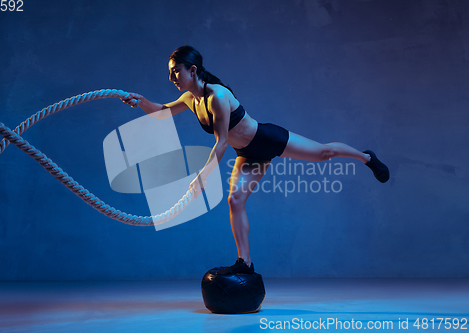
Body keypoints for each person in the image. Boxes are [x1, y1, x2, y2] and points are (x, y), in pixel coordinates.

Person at [121, 46, 389, 275]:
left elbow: (222, 141)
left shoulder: (217, 96)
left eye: (175, 70)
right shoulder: (190, 99)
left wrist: (203, 176)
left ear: (192, 70)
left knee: (323, 154)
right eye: (170, 72)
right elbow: (161, 112)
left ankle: (366, 157)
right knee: (235, 200)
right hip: (248, 155)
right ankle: (245, 263)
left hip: (266, 138)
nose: (171, 77)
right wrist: (141, 100)